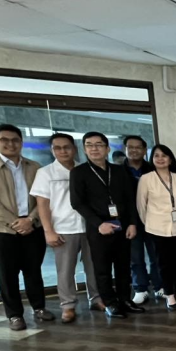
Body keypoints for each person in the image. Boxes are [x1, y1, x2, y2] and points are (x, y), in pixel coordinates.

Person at [0, 123, 53, 331]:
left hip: (32, 227)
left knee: (33, 271)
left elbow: (43, 198)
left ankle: (39, 308)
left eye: (15, 140)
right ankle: (15, 315)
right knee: (7, 274)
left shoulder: (34, 167)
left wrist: (31, 219)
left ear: (21, 142)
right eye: (4, 140)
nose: (10, 144)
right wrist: (14, 222)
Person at [70, 132, 145, 319]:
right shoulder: (79, 173)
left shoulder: (119, 171)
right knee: (102, 269)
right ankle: (110, 303)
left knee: (123, 267)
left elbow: (130, 200)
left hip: (122, 226)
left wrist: (132, 224)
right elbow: (77, 203)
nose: (94, 148)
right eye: (89, 145)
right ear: (85, 149)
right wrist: (98, 224)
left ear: (107, 148)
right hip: (99, 228)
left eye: (99, 144)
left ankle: (125, 300)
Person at [30, 133, 100, 324]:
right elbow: (42, 204)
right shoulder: (45, 173)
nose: (62, 151)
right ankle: (68, 305)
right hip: (62, 228)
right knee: (66, 270)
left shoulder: (85, 169)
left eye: (66, 147)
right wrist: (48, 230)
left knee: (93, 266)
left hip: (89, 226)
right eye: (57, 148)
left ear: (74, 148)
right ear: (52, 150)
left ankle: (96, 299)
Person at [137, 144, 176, 311]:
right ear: (152, 159)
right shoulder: (146, 178)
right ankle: (169, 294)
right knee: (163, 263)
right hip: (157, 228)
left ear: (170, 159)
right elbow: (141, 205)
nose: (160, 158)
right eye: (156, 155)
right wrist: (150, 224)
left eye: (164, 155)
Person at [123, 135, 162, 305]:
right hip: (130, 221)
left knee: (156, 255)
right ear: (125, 149)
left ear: (145, 150)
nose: (134, 150)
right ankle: (140, 288)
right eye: (130, 147)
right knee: (135, 256)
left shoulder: (153, 169)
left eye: (138, 147)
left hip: (153, 219)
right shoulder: (118, 171)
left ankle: (160, 286)